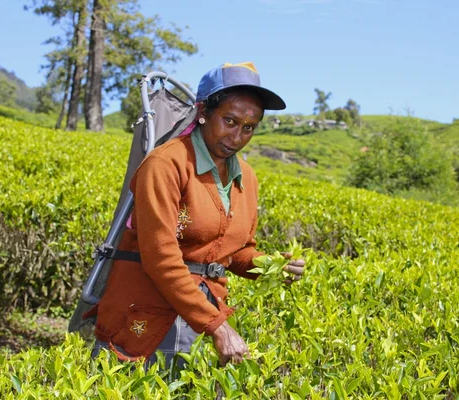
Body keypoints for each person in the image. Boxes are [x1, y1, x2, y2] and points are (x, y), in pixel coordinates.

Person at [88, 62, 305, 367]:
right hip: (146, 313)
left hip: (203, 316)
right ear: (203, 112)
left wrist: (271, 266)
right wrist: (216, 325)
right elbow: (160, 257)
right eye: (229, 120)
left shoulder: (246, 177)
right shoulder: (166, 164)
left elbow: (236, 250)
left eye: (248, 127)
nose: (237, 136)